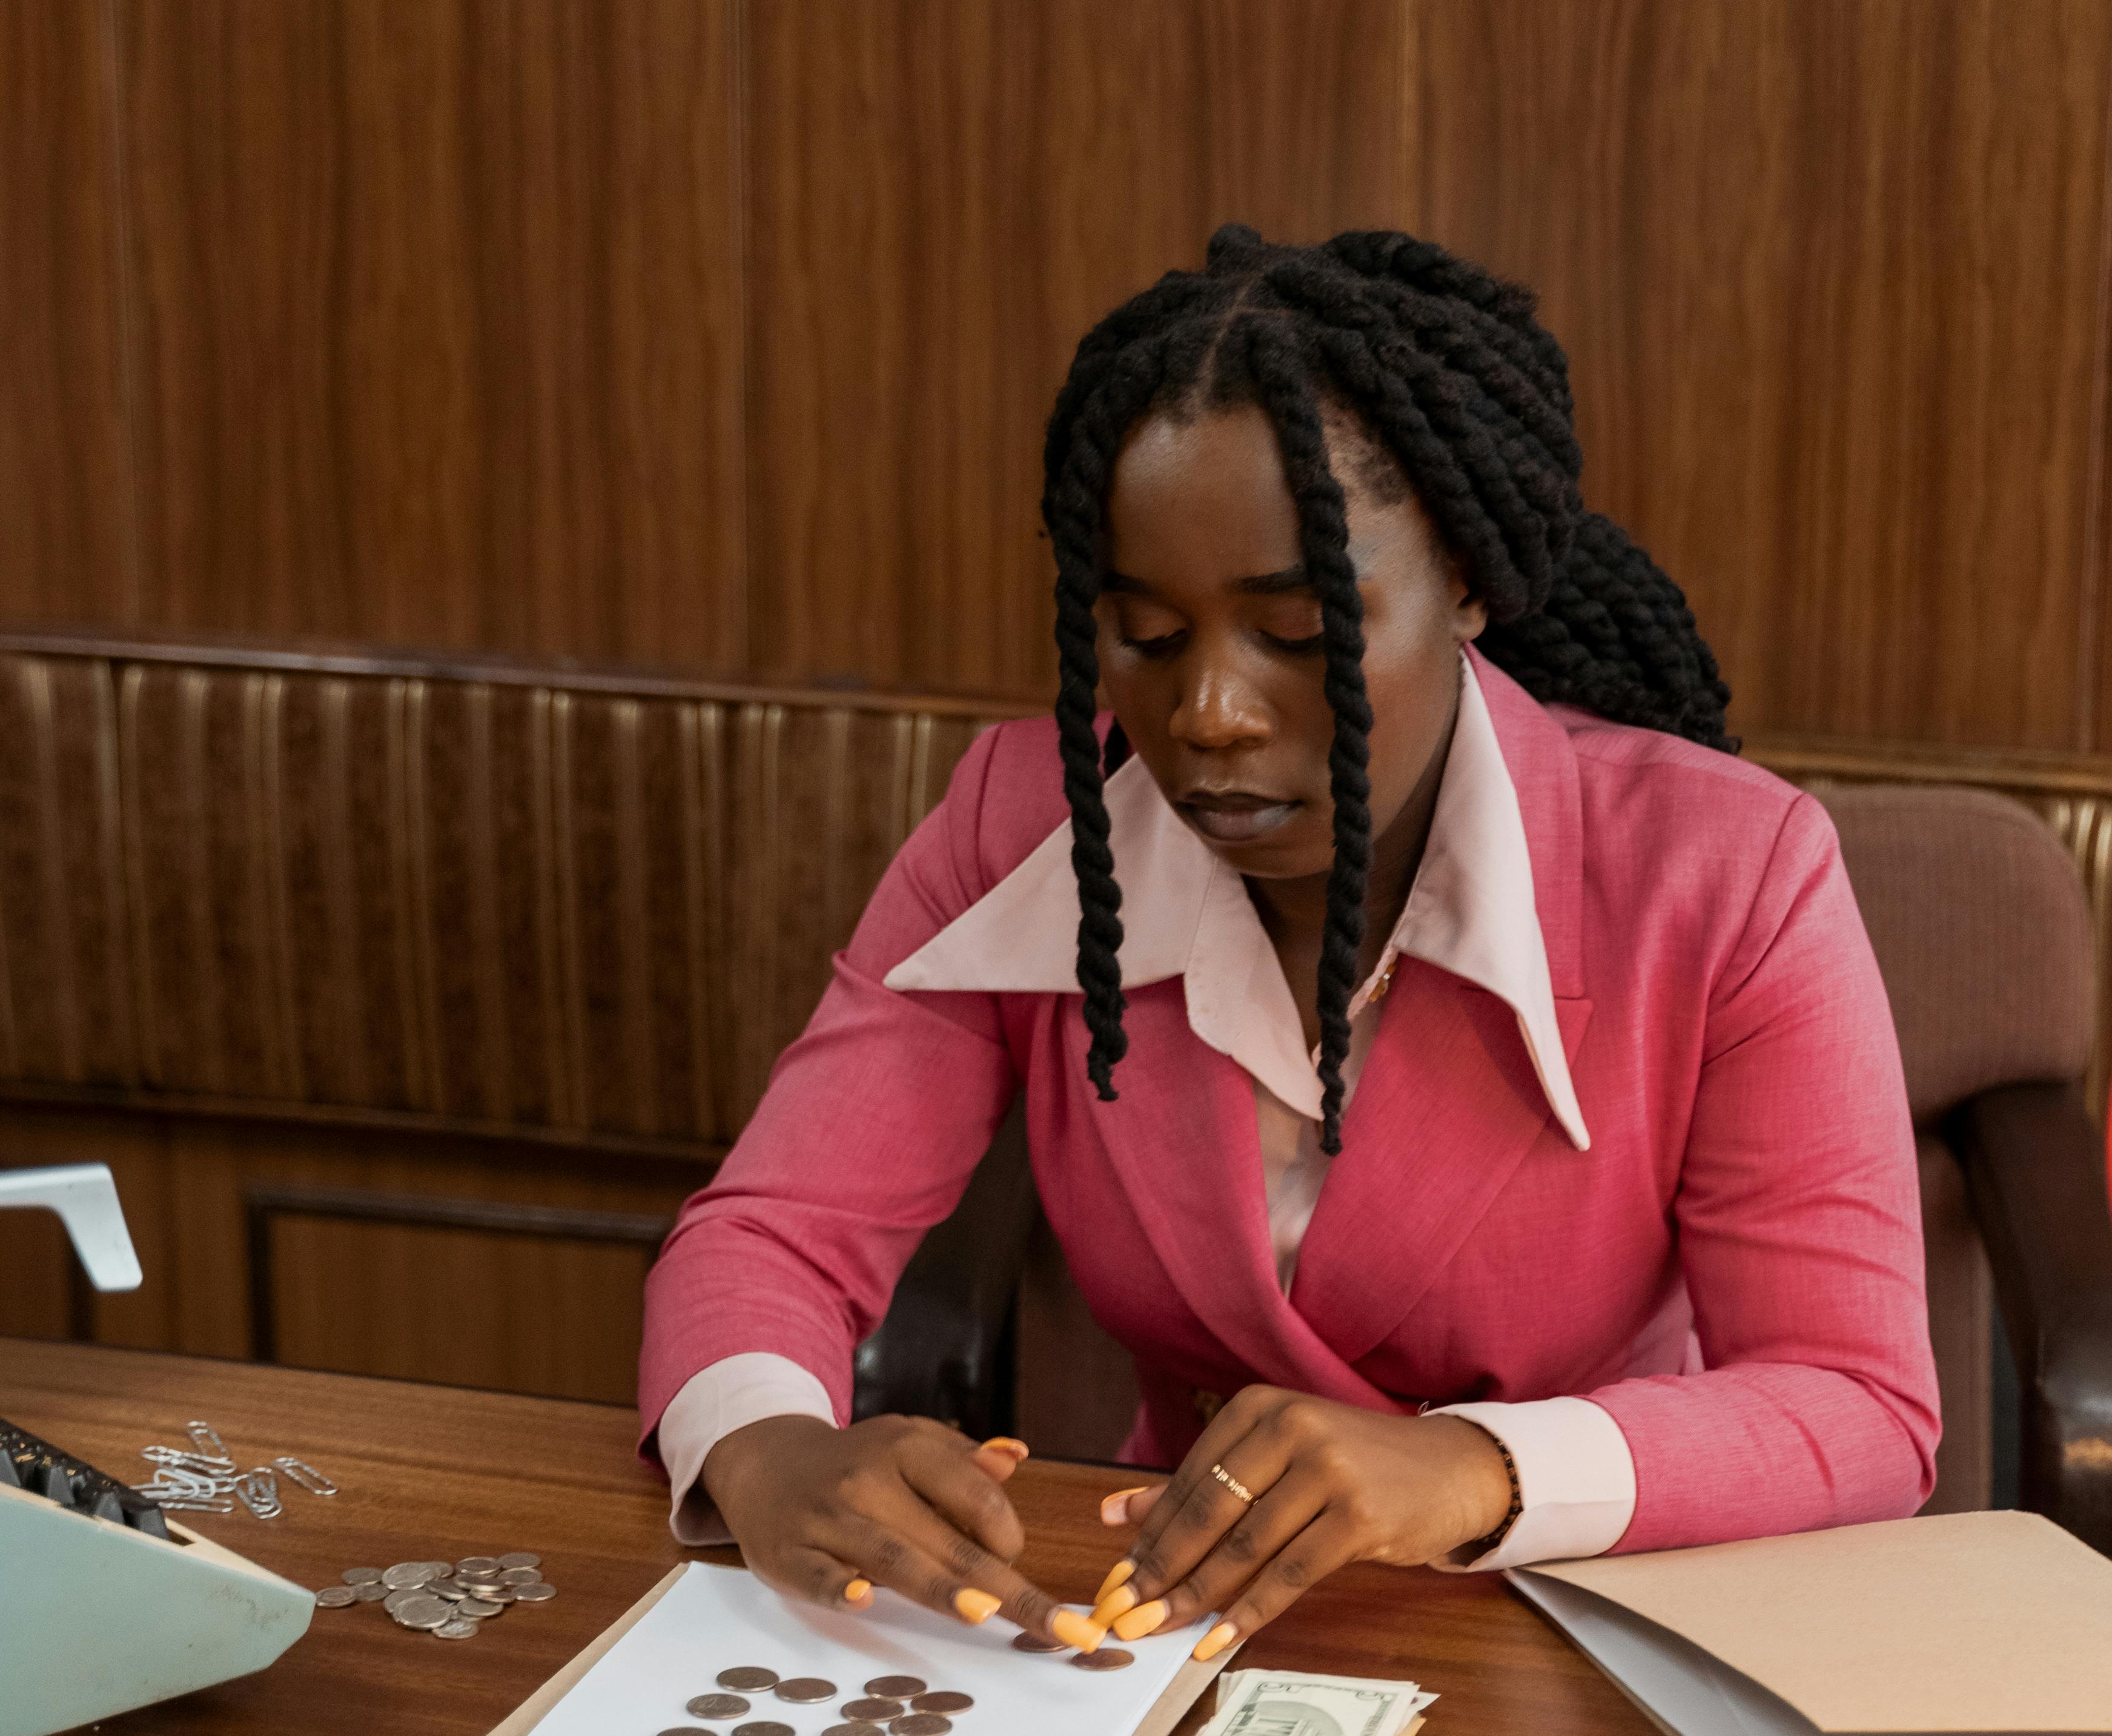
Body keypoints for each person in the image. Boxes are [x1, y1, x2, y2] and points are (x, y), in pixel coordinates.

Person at [640, 226, 1936, 1657]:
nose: (1209, 712)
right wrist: (763, 1449)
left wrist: (1468, 1467)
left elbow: (1855, 1405)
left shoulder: (1728, 873)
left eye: (1300, 632)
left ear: (1469, 586)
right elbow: (770, 1229)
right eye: (1143, 634)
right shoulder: (1024, 822)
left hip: (1579, 1622)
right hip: (1163, 1624)